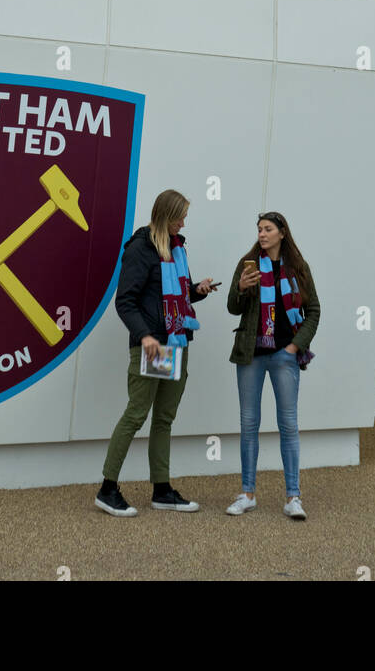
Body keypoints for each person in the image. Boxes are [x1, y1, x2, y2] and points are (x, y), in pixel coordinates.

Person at [96, 189, 215, 516]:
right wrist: (146, 336)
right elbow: (126, 302)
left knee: (164, 418)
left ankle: (162, 490)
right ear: (165, 214)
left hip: (176, 343)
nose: (184, 221)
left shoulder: (176, 249)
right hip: (155, 345)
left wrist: (197, 291)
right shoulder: (142, 249)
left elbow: (175, 296)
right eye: (180, 216)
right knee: (137, 414)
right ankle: (107, 489)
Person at [226, 212, 320, 519]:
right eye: (259, 229)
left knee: (288, 425)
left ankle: (293, 497)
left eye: (268, 229)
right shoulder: (247, 263)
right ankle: (247, 493)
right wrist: (241, 286)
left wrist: (295, 346)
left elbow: (314, 310)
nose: (262, 234)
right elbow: (232, 307)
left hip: (284, 354)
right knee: (248, 424)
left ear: (282, 233)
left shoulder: (297, 267)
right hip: (251, 354)